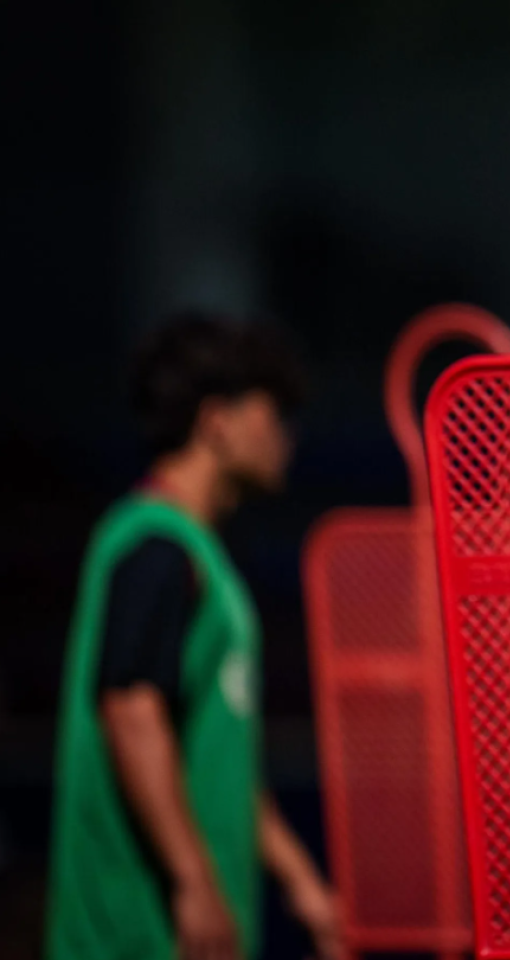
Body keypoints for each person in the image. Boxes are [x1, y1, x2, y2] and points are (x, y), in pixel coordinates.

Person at [46, 314, 344, 960]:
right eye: (273, 415)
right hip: (134, 936)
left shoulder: (199, 557)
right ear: (218, 421)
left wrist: (302, 883)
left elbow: (220, 761)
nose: (285, 438)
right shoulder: (153, 545)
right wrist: (193, 881)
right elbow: (130, 711)